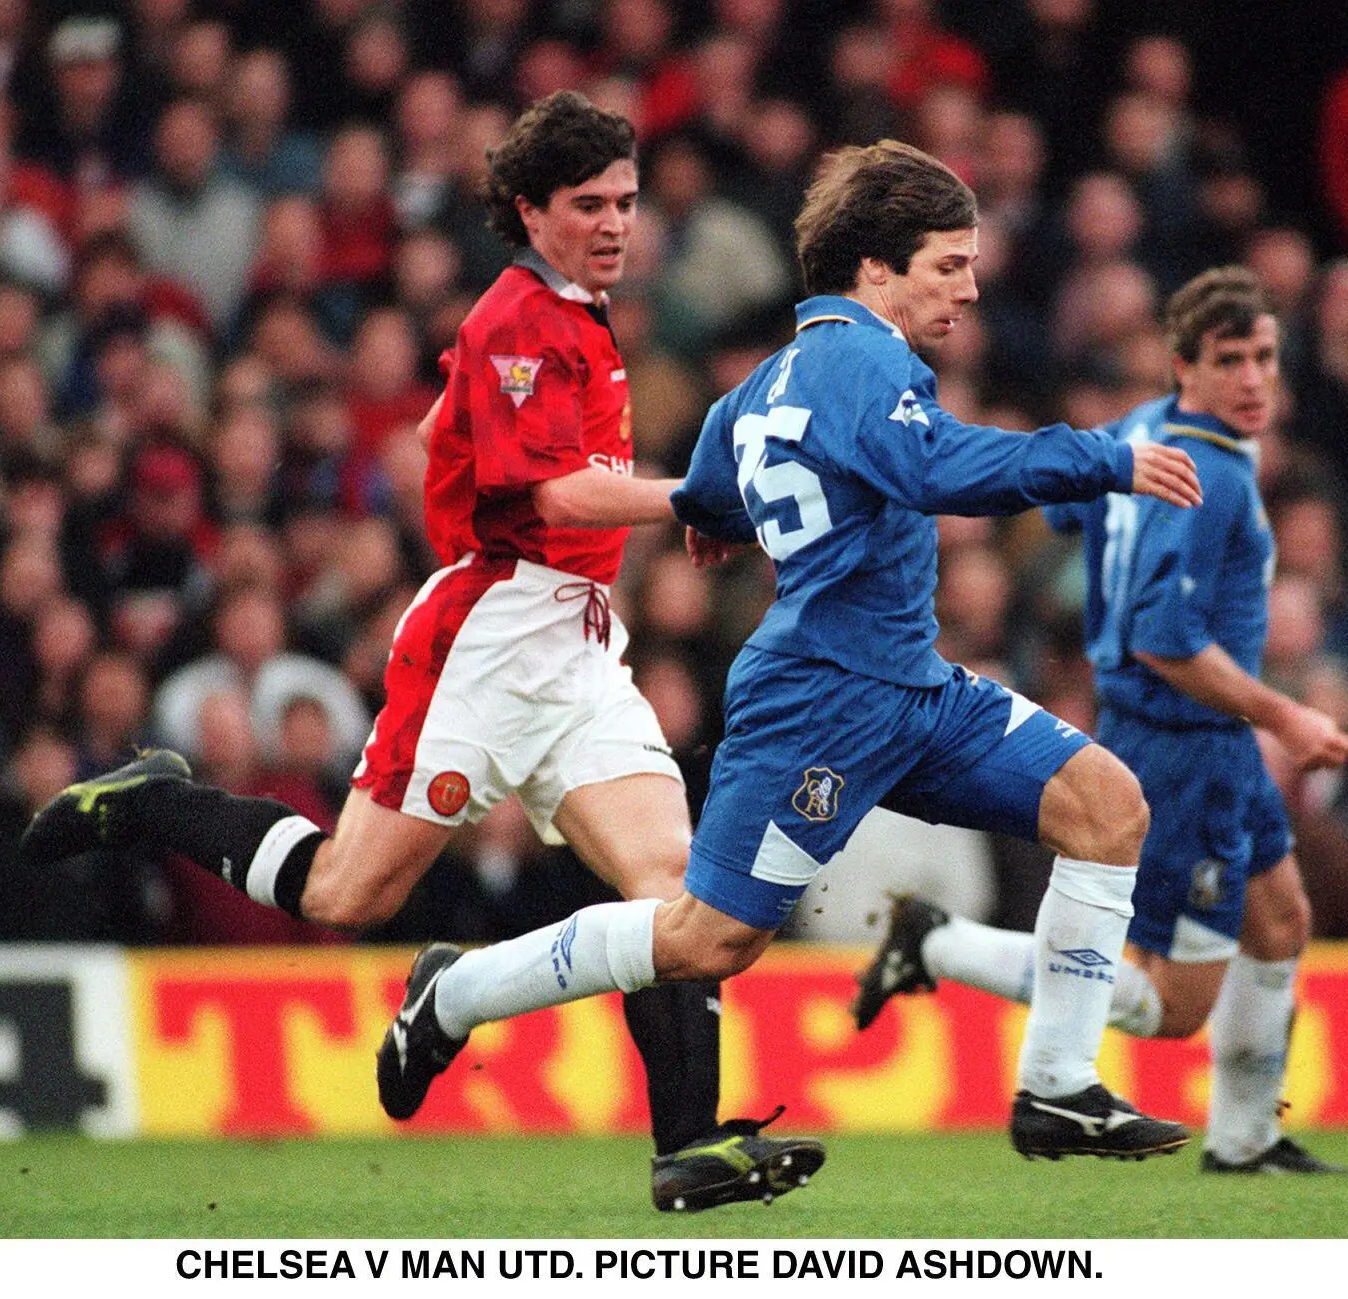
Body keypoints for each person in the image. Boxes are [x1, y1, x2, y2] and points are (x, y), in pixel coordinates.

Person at [19, 91, 820, 1214]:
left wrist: (671, 505)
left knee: (676, 894)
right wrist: (691, 494)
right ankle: (158, 804)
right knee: (348, 893)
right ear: (528, 209)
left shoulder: (584, 316)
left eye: (627, 201)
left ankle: (686, 1145)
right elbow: (550, 491)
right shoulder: (513, 324)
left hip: (580, 643)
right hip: (486, 640)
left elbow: (573, 492)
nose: (614, 222)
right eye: (588, 203)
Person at [370, 139, 1206, 1162]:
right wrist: (1103, 457)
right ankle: (452, 992)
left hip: (915, 688)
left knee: (1105, 807)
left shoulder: (763, 383)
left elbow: (713, 485)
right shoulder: (864, 357)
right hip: (818, 700)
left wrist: (714, 522)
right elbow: (934, 466)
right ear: (872, 269)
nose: (971, 287)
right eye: (948, 263)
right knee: (700, 940)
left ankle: (1058, 1085)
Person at [851, 267, 1348, 1175]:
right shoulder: (1215, 479)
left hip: (1200, 740)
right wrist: (1286, 716)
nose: (1251, 379)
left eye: (1265, 358)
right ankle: (939, 941)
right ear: (1182, 366)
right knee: (1171, 1005)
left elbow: (1065, 512)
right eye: (1229, 360)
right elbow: (1165, 639)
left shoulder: (1137, 434)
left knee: (1278, 918)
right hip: (1180, 749)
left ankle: (1245, 1139)